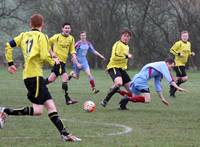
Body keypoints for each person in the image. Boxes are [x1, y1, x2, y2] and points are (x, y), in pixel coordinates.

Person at [0, 14, 81, 142]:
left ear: (30, 24)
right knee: (39, 110)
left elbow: (8, 45)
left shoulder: (23, 35)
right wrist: (54, 61)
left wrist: (10, 63)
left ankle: (65, 134)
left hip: (30, 76)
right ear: (42, 25)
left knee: (50, 106)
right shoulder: (42, 36)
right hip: (35, 77)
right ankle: (5, 111)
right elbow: (44, 56)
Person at [118, 58, 187, 110]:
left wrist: (162, 98)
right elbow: (170, 78)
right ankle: (127, 98)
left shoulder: (159, 70)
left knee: (135, 96)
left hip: (136, 79)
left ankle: (119, 91)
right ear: (167, 63)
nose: (170, 69)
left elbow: (157, 85)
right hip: (141, 80)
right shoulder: (163, 65)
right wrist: (178, 87)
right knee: (147, 99)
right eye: (171, 67)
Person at [45, 22, 81, 105]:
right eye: (66, 28)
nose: (67, 29)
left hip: (63, 62)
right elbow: (47, 44)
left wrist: (75, 58)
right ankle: (67, 99)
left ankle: (38, 85)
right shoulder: (57, 37)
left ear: (70, 29)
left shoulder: (71, 38)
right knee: (65, 79)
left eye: (68, 28)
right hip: (57, 61)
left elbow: (72, 50)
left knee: (51, 80)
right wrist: (52, 53)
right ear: (62, 29)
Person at [101, 29, 133, 107]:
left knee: (132, 91)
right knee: (119, 83)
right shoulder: (117, 44)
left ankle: (122, 105)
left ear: (129, 38)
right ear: (121, 36)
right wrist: (126, 56)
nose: (126, 38)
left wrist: (126, 58)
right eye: (124, 36)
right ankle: (105, 100)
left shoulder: (127, 46)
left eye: (128, 36)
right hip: (114, 67)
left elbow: (124, 58)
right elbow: (115, 56)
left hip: (121, 69)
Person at [169, 31, 195, 97]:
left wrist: (191, 54)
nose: (185, 37)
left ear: (188, 37)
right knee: (185, 78)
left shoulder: (189, 43)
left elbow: (187, 52)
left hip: (182, 64)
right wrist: (178, 53)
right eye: (183, 36)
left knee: (178, 79)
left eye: (186, 36)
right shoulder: (178, 43)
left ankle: (172, 89)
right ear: (181, 37)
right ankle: (172, 89)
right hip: (177, 64)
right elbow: (171, 50)